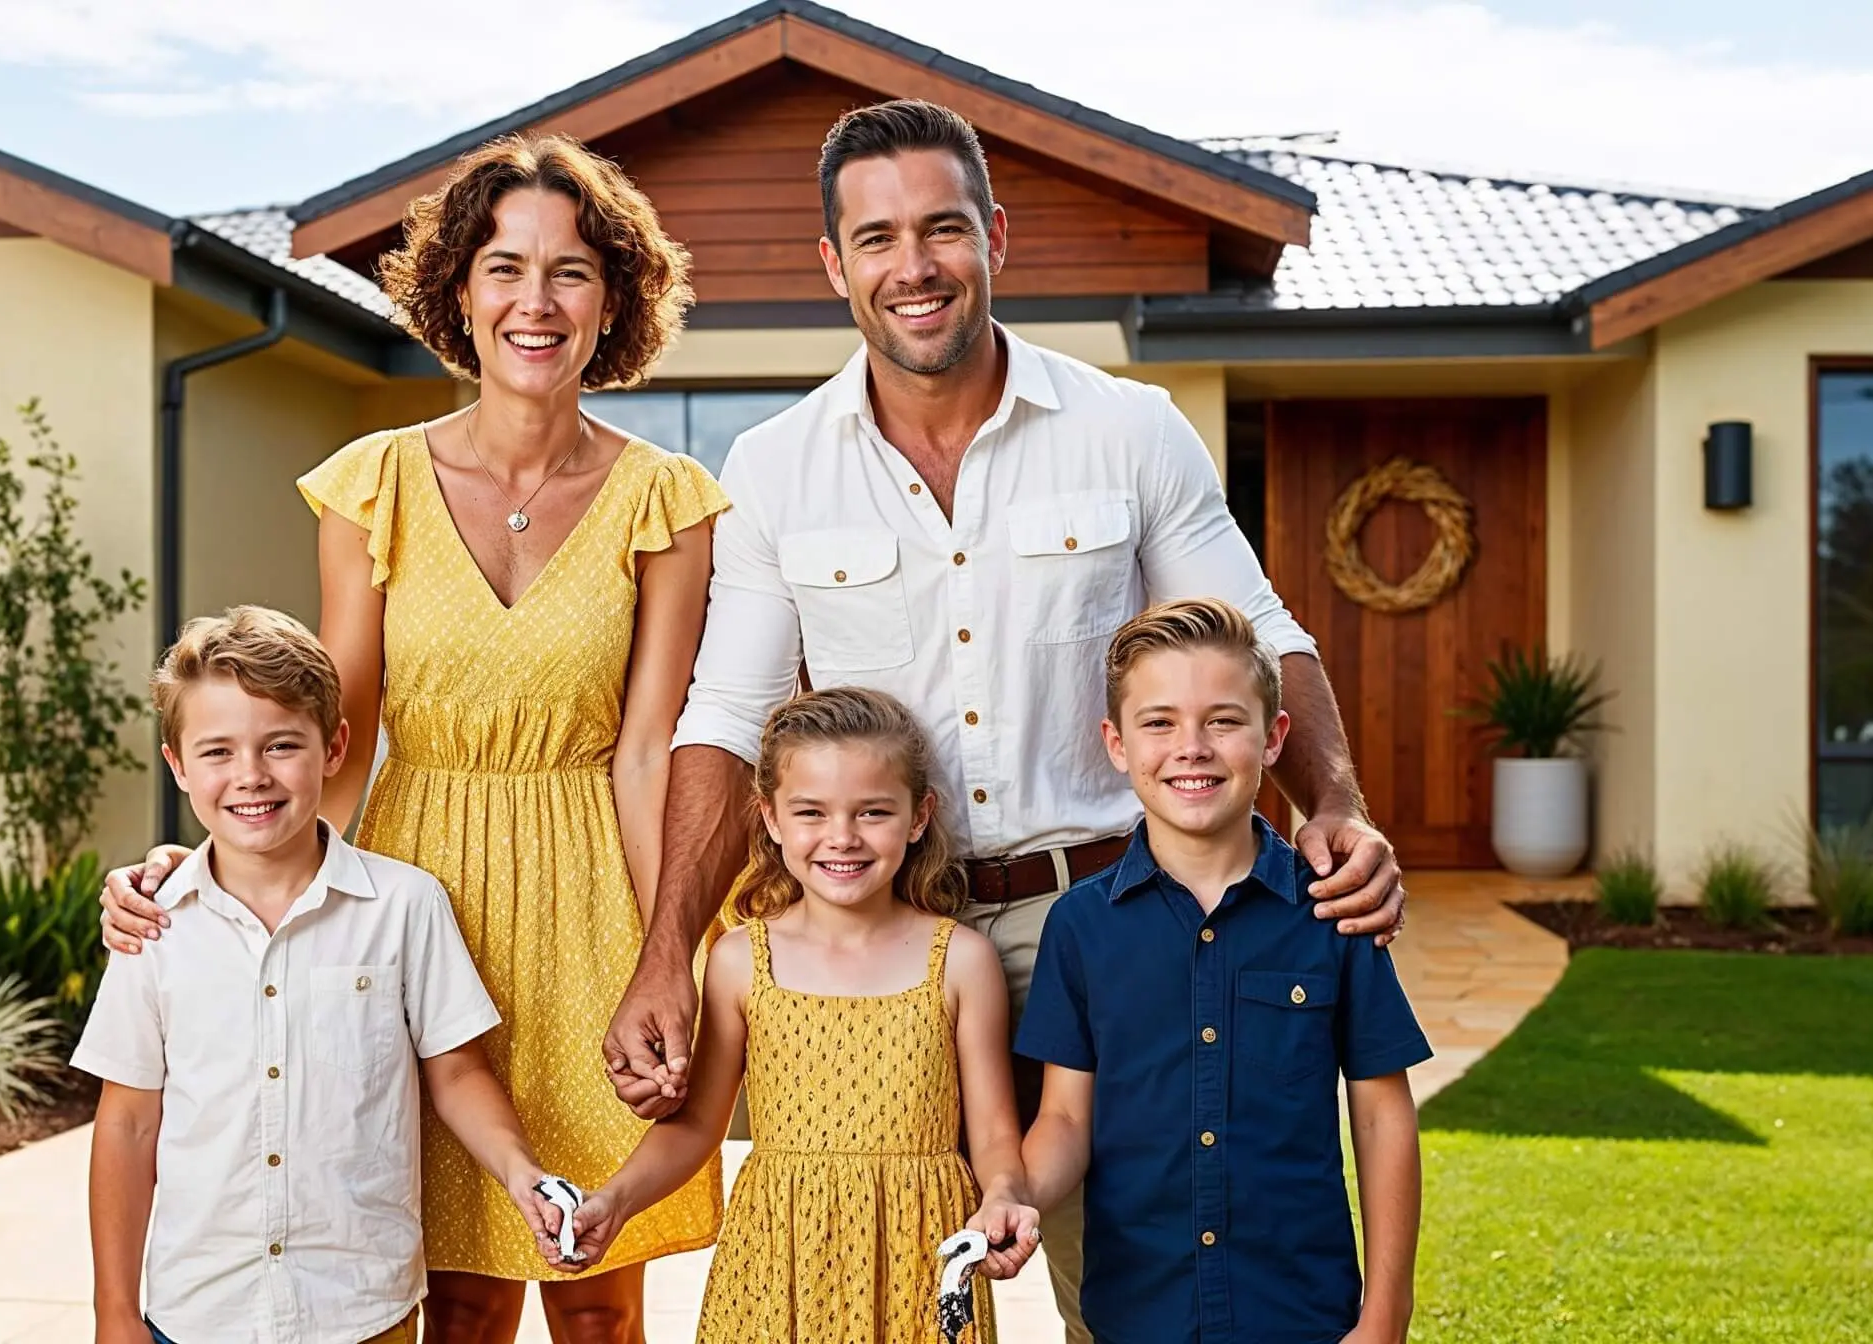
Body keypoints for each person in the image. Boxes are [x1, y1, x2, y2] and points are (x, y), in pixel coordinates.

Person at [601, 99, 1411, 1343]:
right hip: (894, 941)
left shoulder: (1127, 429)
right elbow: (724, 715)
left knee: (1138, 1292)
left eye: (941, 229)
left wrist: (1337, 804)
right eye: (874, 239)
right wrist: (666, 950)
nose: (910, 266)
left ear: (995, 238)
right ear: (833, 265)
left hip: (1102, 923)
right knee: (868, 1277)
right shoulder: (772, 467)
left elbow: (1256, 629)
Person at [98, 135, 729, 1342]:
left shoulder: (667, 501)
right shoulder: (372, 483)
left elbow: (649, 750)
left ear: (615, 302)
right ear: (458, 291)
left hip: (593, 900)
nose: (533, 303)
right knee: (456, 1296)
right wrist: (208, 876)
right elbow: (336, 731)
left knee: (598, 1299)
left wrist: (668, 962)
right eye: (503, 268)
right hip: (406, 894)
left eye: (571, 273)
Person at [78, 606, 569, 1344]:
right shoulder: (155, 924)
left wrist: (521, 1172)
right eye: (217, 752)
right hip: (200, 1314)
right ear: (177, 765)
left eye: (281, 745)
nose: (251, 776)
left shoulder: (406, 907)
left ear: (336, 747)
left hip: (361, 1310)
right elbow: (127, 1122)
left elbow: (458, 1073)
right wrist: (113, 1311)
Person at [559, 687, 1040, 1342]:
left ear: (919, 815)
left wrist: (1005, 1195)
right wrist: (614, 1200)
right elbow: (697, 1125)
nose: (841, 837)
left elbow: (991, 1137)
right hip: (776, 1257)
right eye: (811, 812)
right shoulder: (739, 959)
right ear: (772, 817)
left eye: (873, 812)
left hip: (919, 1257)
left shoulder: (960, 960)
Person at [1016, 598, 1429, 1344]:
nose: (1192, 746)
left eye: (1223, 720)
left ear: (1273, 738)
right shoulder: (1078, 927)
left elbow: (1381, 1115)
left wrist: (1386, 1314)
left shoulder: (1334, 912)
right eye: (1160, 722)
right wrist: (1014, 1199)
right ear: (1116, 743)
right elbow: (1066, 1119)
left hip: (1301, 1314)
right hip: (1137, 1316)